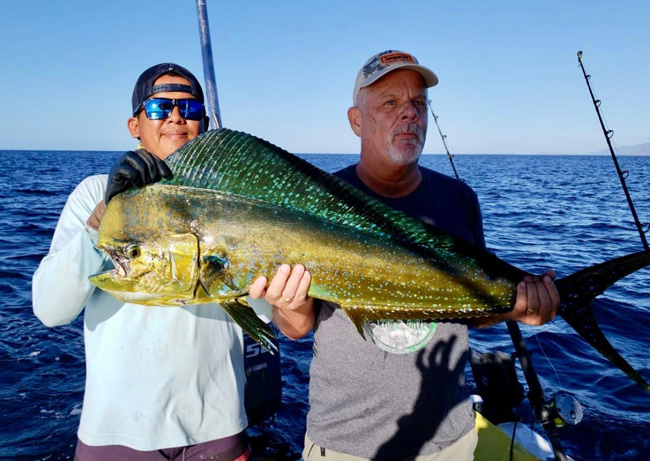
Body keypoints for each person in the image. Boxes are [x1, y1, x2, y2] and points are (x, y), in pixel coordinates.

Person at [249, 50, 560, 460]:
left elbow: (473, 309)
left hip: (452, 439)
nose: (409, 114)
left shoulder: (459, 199)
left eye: (418, 104)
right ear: (356, 120)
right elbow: (295, 327)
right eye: (390, 103)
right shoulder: (314, 202)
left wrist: (517, 308)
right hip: (344, 445)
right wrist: (287, 303)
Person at [33, 63, 270, 461]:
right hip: (115, 432)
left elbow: (265, 313)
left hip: (217, 428)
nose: (176, 117)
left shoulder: (231, 204)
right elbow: (50, 309)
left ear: (205, 124)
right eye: (160, 108)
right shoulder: (94, 192)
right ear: (134, 125)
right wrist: (104, 216)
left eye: (189, 109)